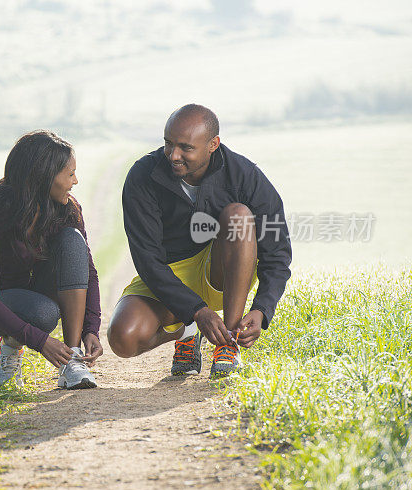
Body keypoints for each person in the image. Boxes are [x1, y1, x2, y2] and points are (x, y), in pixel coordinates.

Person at [107, 104, 291, 377]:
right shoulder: (142, 177)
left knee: (239, 215)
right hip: (169, 275)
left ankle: (228, 342)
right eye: (168, 144)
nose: (173, 155)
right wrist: (195, 312)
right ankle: (188, 330)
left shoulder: (245, 175)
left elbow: (277, 252)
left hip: (221, 270)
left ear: (213, 144)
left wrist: (262, 309)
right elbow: (148, 260)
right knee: (123, 338)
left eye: (186, 148)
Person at [0, 130, 103, 388]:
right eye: (70, 173)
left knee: (73, 239)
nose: (75, 181)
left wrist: (92, 328)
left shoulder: (68, 209)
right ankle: (9, 350)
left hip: (42, 296)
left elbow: (89, 272)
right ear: (44, 176)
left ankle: (72, 360)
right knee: (43, 313)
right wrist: (41, 341)